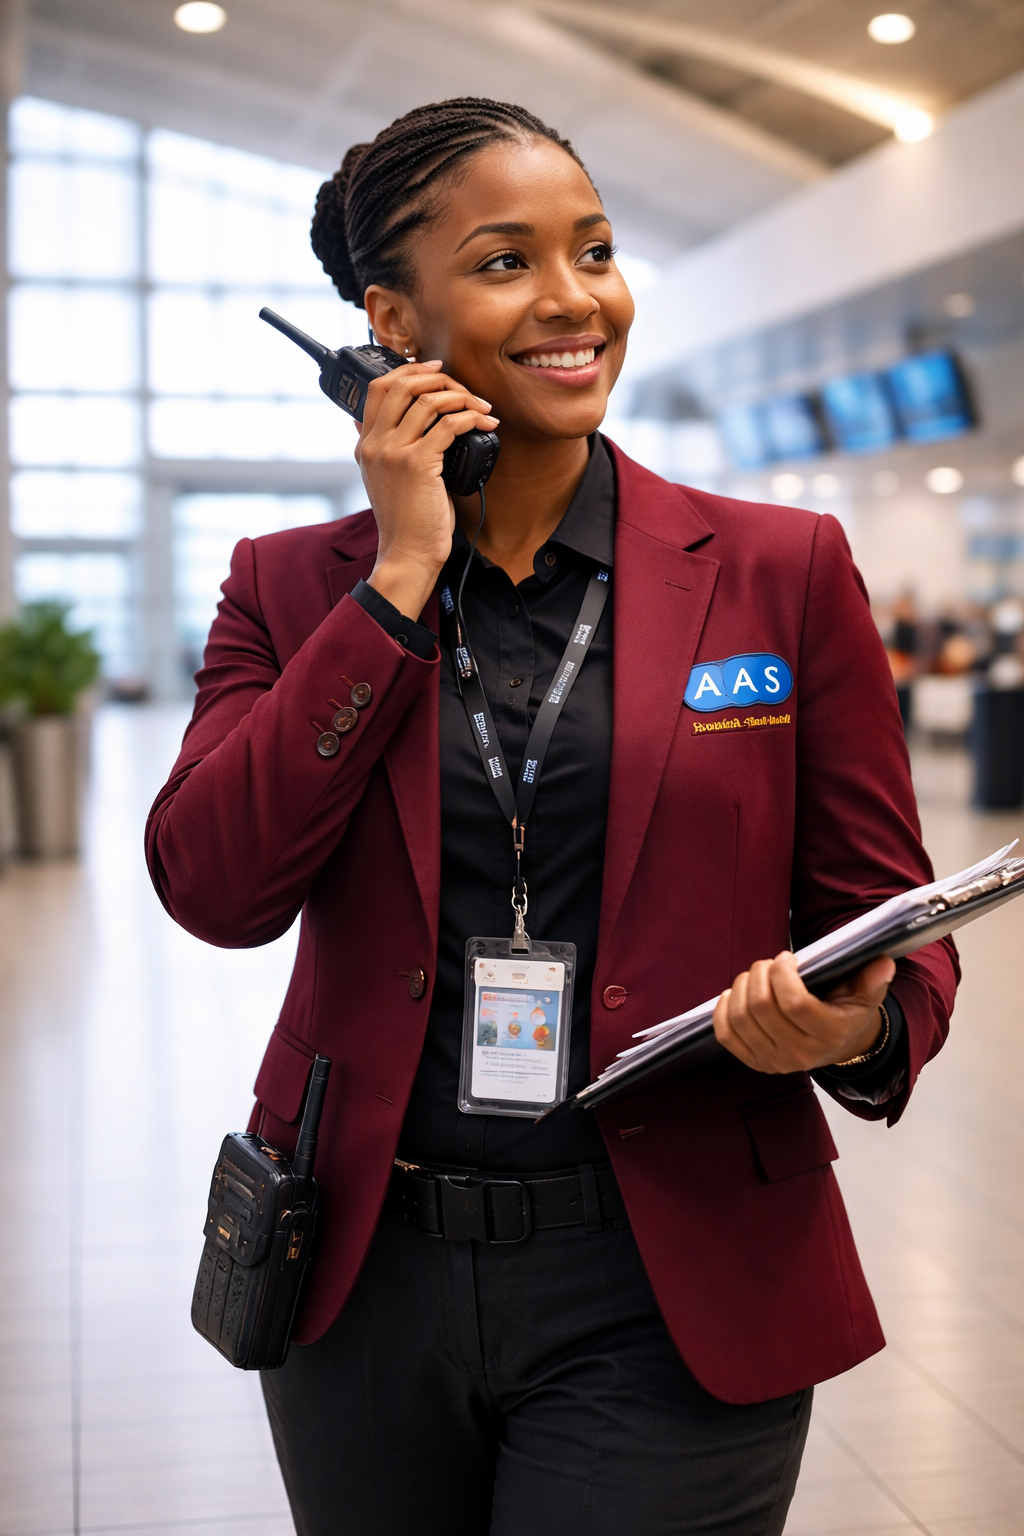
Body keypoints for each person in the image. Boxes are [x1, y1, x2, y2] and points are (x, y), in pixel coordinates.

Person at [146, 98, 958, 1535]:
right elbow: (215, 886)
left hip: (675, 1272)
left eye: (595, 248)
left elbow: (888, 911)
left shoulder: (778, 568)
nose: (577, 298)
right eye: (508, 262)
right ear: (391, 323)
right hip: (362, 1275)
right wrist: (397, 580)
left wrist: (855, 1027)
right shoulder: (289, 586)